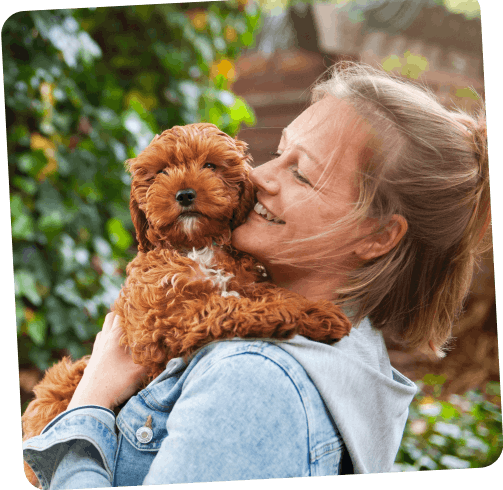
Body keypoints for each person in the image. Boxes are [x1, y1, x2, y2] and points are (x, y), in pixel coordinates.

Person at [23, 63, 490, 488]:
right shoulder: (354, 353)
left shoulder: (254, 381)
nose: (261, 175)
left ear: (379, 235)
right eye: (279, 151)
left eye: (301, 174)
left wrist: (90, 406)